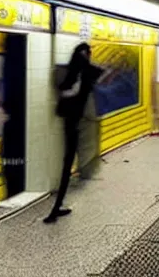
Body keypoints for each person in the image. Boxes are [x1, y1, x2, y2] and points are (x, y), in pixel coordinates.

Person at [44, 43, 103, 223]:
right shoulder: (83, 73)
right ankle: (55, 209)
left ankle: (57, 207)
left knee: (68, 162)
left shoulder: (69, 73)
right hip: (75, 124)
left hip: (71, 123)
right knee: (68, 162)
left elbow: (64, 90)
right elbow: (96, 74)